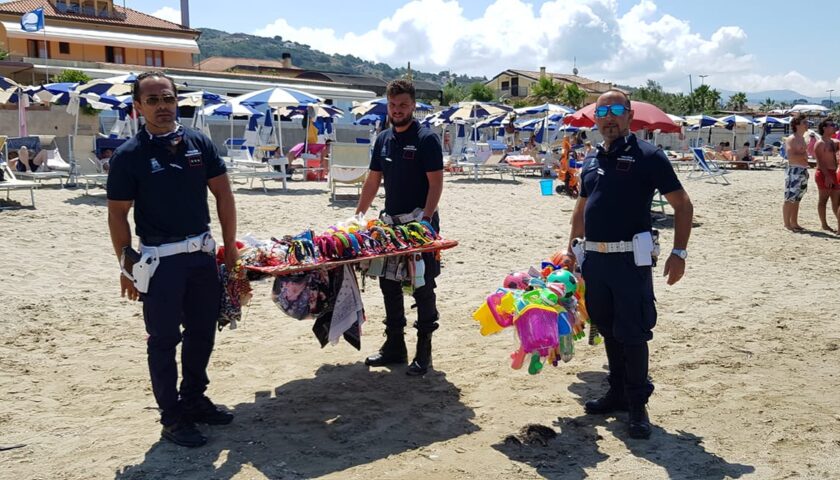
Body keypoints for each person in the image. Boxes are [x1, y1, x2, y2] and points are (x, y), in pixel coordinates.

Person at [106, 71, 238, 448]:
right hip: (159, 263)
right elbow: (118, 214)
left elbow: (224, 197)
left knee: (203, 332)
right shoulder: (129, 156)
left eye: (167, 98)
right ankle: (172, 417)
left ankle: (194, 400)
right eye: (153, 100)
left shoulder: (199, 143)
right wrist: (125, 265)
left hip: (202, 258)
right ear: (138, 107)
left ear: (176, 100)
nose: (162, 106)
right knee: (163, 340)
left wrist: (229, 248)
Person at [567, 90, 693, 439]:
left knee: (633, 333)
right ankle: (618, 392)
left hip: (629, 262)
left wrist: (679, 253)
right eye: (602, 111)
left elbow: (683, 205)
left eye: (616, 110)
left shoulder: (649, 156)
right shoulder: (591, 160)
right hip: (595, 260)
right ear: (596, 118)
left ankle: (638, 404)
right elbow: (581, 209)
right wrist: (571, 251)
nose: (609, 117)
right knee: (607, 328)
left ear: (629, 115)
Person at [355, 79, 444, 376]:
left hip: (420, 223)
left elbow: (436, 183)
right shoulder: (383, 139)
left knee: (421, 285)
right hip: (390, 225)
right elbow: (372, 180)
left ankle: (424, 352)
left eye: (403, 105)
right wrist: (358, 216)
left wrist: (426, 219)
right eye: (393, 105)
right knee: (388, 283)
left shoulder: (426, 139)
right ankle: (395, 346)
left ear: (413, 106)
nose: (397, 110)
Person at [813, 118, 840, 233]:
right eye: (831, 125)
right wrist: (827, 176)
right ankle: (824, 224)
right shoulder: (820, 143)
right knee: (823, 200)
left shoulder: (834, 142)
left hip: (834, 173)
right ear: (824, 128)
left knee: (836, 202)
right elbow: (820, 162)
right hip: (824, 173)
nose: (834, 126)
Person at [784, 116, 810, 232]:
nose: (807, 124)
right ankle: (787, 223)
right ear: (797, 125)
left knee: (798, 198)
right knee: (790, 197)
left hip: (802, 170)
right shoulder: (792, 139)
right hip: (794, 170)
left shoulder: (802, 138)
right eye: (804, 122)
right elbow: (790, 157)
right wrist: (804, 157)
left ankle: (794, 222)